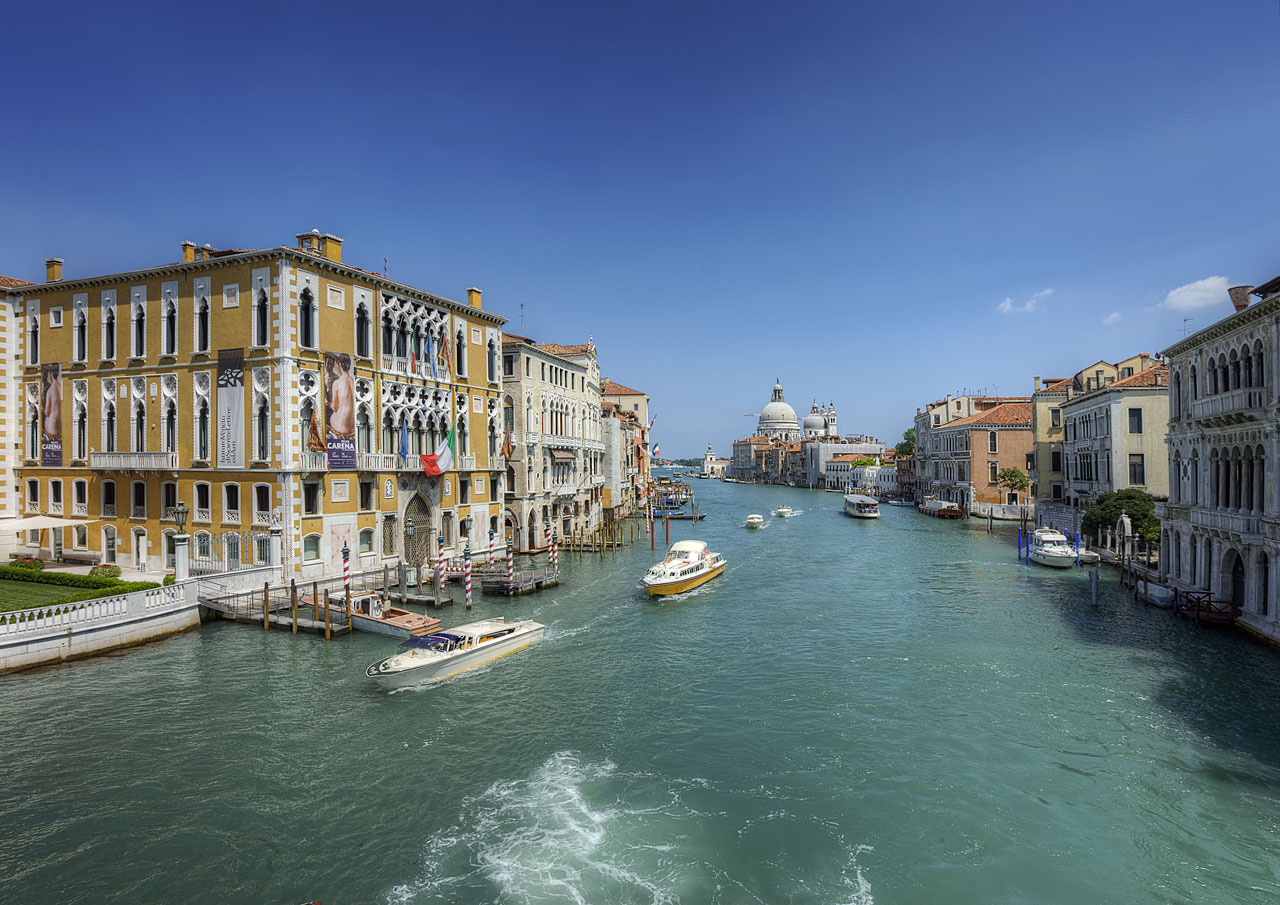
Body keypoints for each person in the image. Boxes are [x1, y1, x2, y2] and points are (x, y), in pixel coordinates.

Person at [327, 353, 355, 438]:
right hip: (353, 426)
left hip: (341, 427)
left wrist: (330, 404)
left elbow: (334, 408)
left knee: (329, 416)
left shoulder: (337, 383)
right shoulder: (354, 381)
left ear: (339, 364)